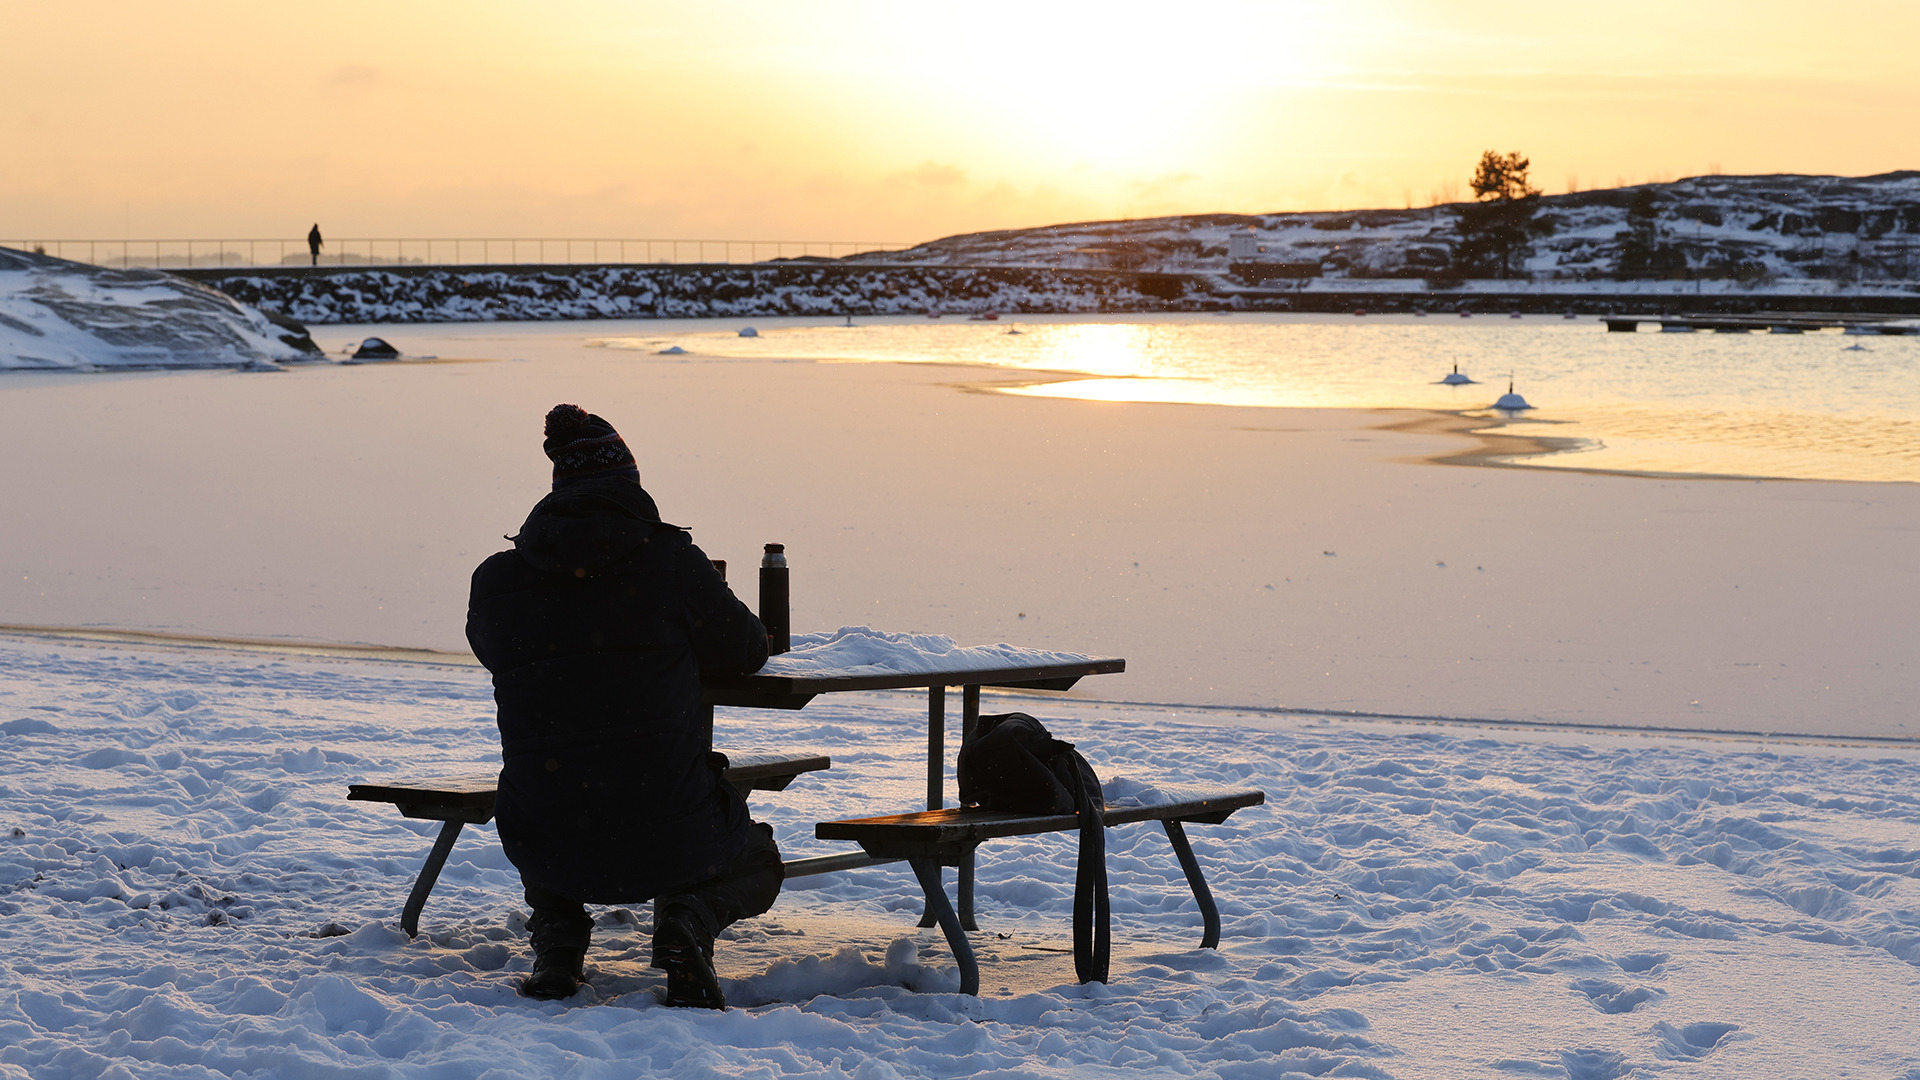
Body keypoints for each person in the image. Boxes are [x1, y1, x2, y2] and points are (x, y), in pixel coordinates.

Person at [465, 404, 781, 1007]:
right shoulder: (669, 563)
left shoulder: (499, 580)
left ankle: (558, 946)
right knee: (759, 856)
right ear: (629, 487)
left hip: (544, 834)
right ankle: (688, 919)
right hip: (671, 831)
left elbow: (495, 653)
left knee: (556, 789)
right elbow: (746, 649)